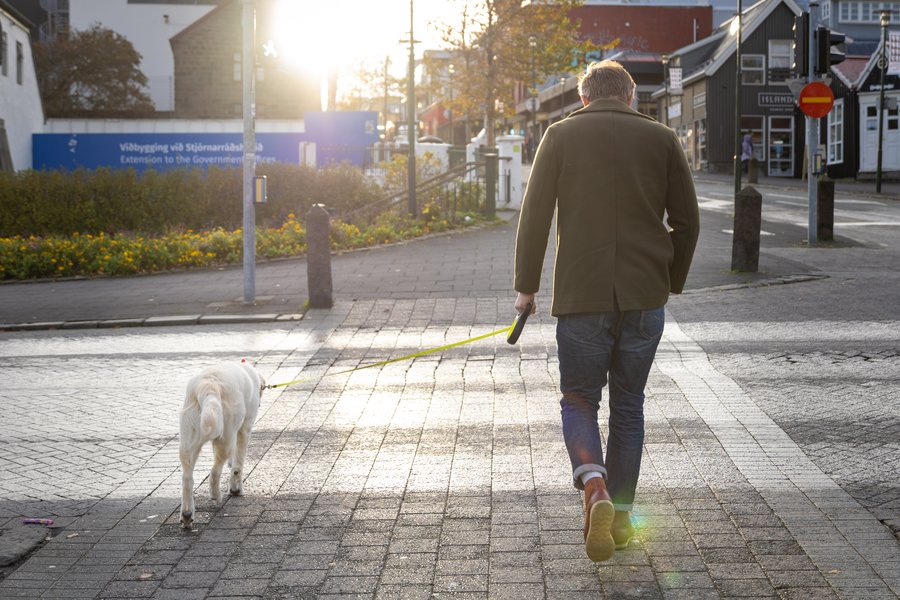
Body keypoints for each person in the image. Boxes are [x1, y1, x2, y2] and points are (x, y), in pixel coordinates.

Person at [513, 60, 700, 562]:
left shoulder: (560, 134)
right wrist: (670, 280)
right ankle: (618, 520)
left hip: (581, 297)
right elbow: (688, 221)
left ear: (584, 97)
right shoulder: (661, 139)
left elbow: (534, 217)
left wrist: (526, 288)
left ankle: (593, 486)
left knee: (578, 399)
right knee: (630, 405)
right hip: (644, 297)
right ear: (632, 97)